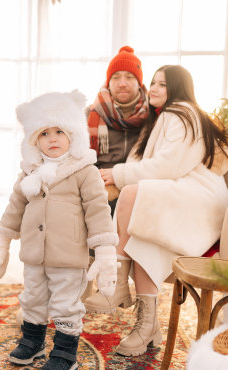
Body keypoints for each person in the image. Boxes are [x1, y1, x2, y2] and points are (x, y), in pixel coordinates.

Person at [99, 65, 228, 356]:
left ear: (179, 88)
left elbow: (167, 167)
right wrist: (117, 174)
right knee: (143, 234)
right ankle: (148, 325)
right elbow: (148, 164)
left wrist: (118, 176)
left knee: (134, 195)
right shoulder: (162, 118)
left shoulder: (181, 113)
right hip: (183, 192)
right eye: (154, 83)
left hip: (199, 198)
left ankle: (119, 279)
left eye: (163, 84)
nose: (155, 89)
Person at [0, 90, 118, 370]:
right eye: (45, 133)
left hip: (69, 256)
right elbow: (14, 208)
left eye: (60, 131)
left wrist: (106, 252)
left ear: (73, 134)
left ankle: (64, 353)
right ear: (35, 140)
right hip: (35, 254)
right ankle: (32, 342)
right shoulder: (29, 173)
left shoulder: (84, 172)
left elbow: (98, 212)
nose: (53, 138)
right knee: (32, 298)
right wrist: (2, 239)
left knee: (65, 303)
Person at [83, 45, 149, 314]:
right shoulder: (92, 112)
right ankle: (84, 283)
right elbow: (80, 156)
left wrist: (120, 179)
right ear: (108, 82)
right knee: (85, 206)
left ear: (139, 82)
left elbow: (155, 160)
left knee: (127, 206)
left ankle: (117, 283)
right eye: (116, 77)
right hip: (97, 181)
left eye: (129, 77)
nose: (122, 83)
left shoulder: (153, 115)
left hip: (136, 183)